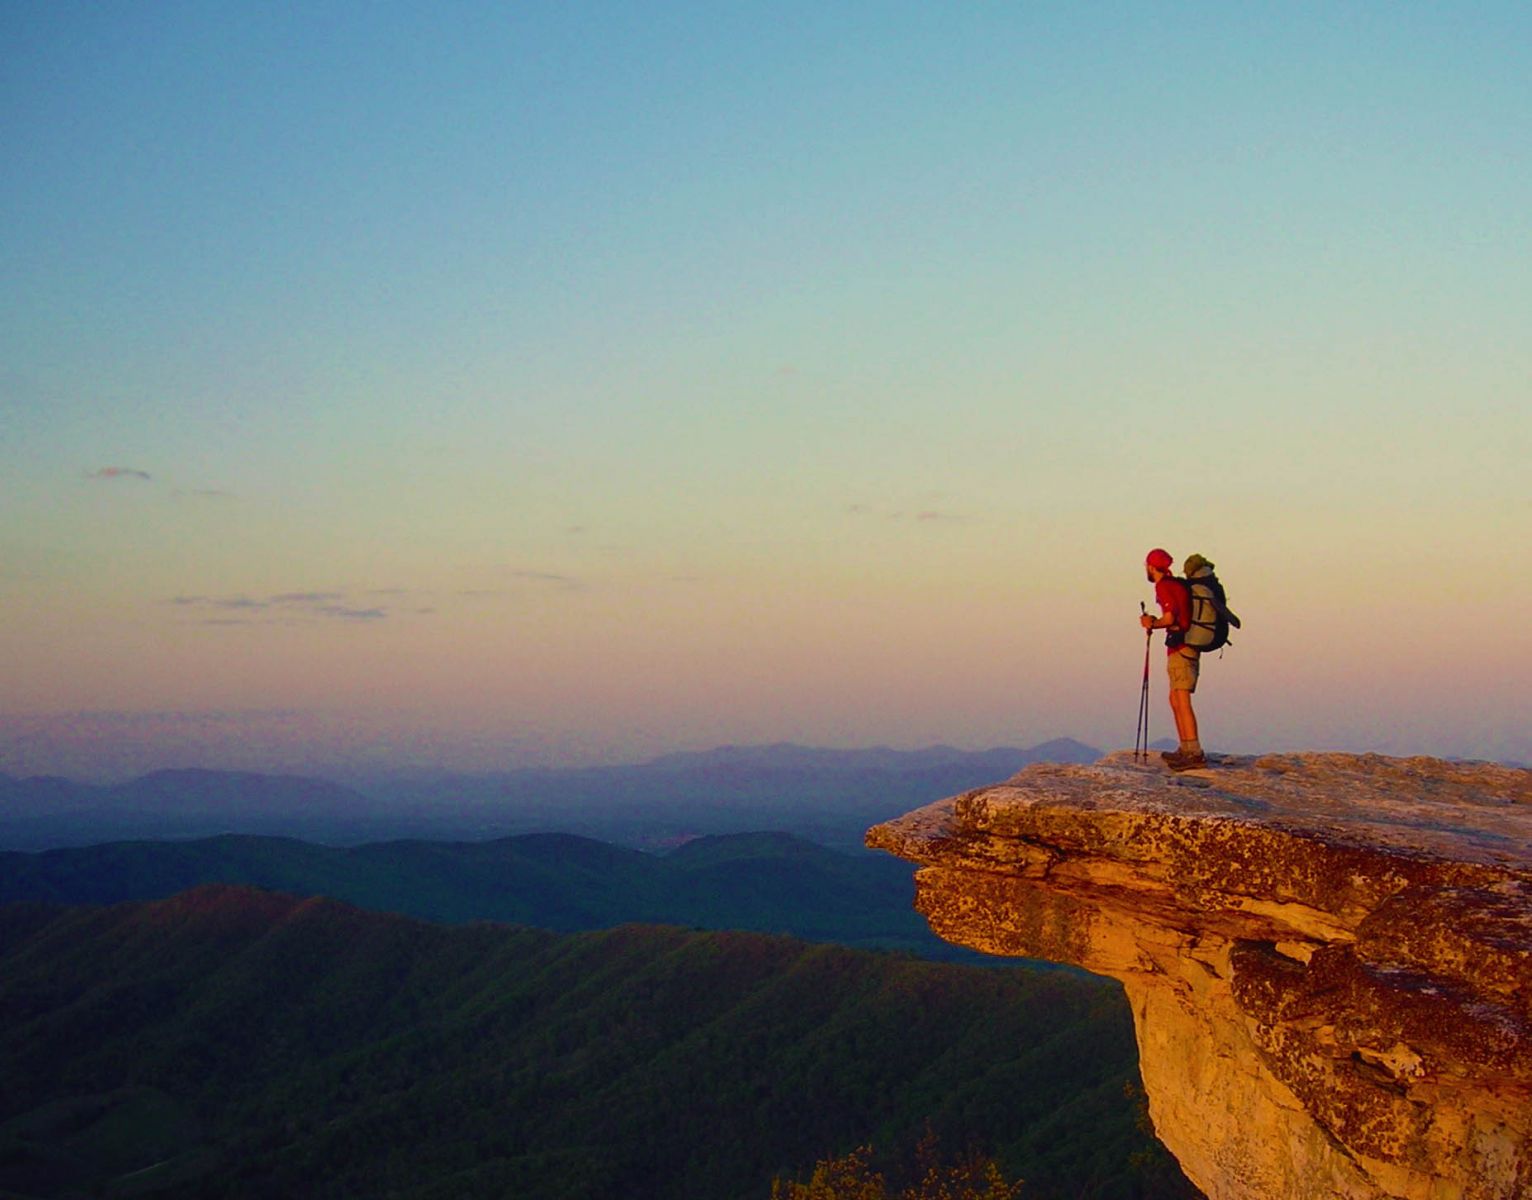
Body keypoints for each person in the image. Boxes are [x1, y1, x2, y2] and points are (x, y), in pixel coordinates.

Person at [1139, 548, 1204, 769]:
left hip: (1182, 648)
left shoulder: (1164, 586)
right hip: (1183, 647)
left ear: (1151, 566)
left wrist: (1152, 623)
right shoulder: (1174, 584)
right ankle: (1186, 748)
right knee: (1175, 698)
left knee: (1181, 699)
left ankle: (1193, 753)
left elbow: (1171, 617)